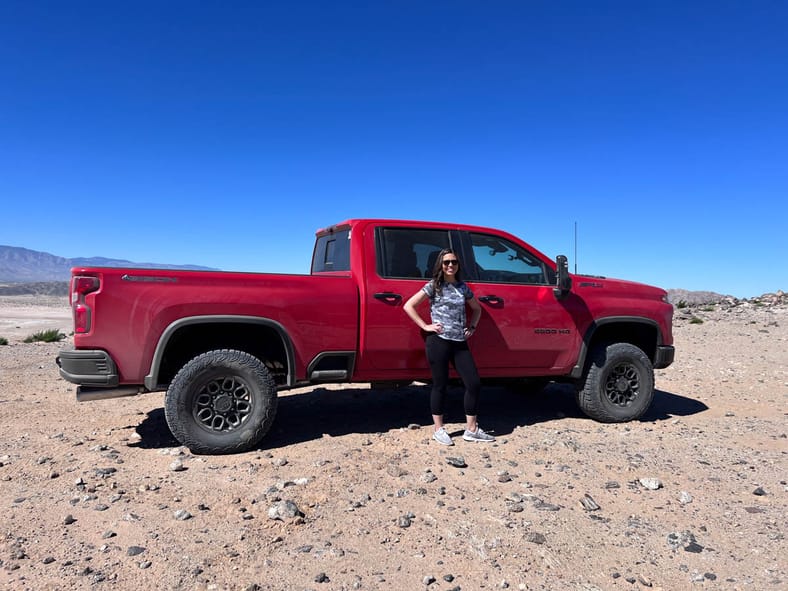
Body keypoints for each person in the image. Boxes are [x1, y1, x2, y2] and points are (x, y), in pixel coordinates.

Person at [403, 248, 495, 445]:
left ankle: (471, 429)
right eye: (446, 263)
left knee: (473, 383)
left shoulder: (463, 288)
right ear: (441, 265)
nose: (450, 265)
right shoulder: (433, 286)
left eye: (453, 262)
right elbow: (408, 305)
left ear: (458, 265)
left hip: (460, 342)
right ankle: (439, 429)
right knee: (440, 385)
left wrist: (472, 327)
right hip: (438, 341)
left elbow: (477, 309)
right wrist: (425, 325)